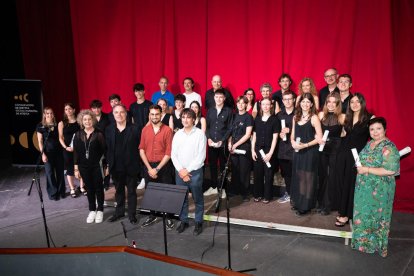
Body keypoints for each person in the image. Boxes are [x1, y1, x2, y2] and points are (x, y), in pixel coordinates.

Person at [351, 117, 400, 257]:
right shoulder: (369, 144)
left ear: (385, 130)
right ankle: (363, 244)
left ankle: (377, 246)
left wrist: (366, 169)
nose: (375, 132)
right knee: (364, 215)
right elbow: (362, 160)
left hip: (380, 190)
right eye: (372, 129)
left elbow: (390, 170)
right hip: (363, 189)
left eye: (378, 129)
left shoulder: (389, 147)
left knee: (378, 217)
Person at [334, 93, 373, 226]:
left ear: (362, 103)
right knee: (341, 183)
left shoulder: (369, 118)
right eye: (352, 102)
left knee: (351, 184)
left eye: (358, 101)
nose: (355, 104)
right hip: (343, 154)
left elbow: (375, 137)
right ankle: (343, 210)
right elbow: (343, 135)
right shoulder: (347, 117)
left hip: (357, 157)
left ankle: (346, 214)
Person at [171, 108, 207, 236]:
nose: (185, 120)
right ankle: (183, 221)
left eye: (188, 117)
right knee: (182, 198)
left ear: (194, 119)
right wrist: (181, 170)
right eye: (183, 117)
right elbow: (173, 155)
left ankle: (198, 222)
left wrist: (187, 170)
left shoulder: (200, 134)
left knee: (198, 199)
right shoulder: (177, 134)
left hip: (195, 172)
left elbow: (201, 156)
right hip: (180, 172)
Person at [139, 105, 174, 228]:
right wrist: (149, 168)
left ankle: (169, 217)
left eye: (157, 114)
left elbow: (168, 153)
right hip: (148, 167)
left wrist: (157, 169)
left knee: (166, 193)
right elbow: (141, 150)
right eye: (152, 114)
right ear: (149, 115)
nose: (154, 116)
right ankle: (152, 216)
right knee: (151, 193)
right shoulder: (145, 130)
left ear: (161, 114)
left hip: (163, 166)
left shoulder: (167, 130)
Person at [105, 104, 141, 224]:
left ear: (126, 114)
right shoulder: (109, 129)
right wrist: (108, 165)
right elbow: (107, 149)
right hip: (116, 166)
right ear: (113, 114)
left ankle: (132, 215)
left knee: (131, 192)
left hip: (131, 166)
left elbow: (140, 148)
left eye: (121, 112)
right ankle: (119, 212)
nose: (119, 115)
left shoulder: (135, 128)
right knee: (118, 191)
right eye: (116, 112)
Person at [291, 93, 322, 216]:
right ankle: (300, 201)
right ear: (300, 104)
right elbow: (292, 135)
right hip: (298, 152)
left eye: (308, 102)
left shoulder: (314, 118)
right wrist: (293, 143)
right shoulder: (295, 117)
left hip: (310, 152)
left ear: (312, 104)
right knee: (300, 177)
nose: (305, 104)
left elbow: (319, 138)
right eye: (303, 102)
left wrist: (305, 145)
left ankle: (307, 205)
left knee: (309, 178)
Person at [73, 110, 106, 223]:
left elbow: (104, 151)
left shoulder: (99, 134)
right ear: (82, 121)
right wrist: (76, 168)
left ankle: (100, 210)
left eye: (89, 119)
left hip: (97, 166)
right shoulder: (78, 135)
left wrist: (107, 167)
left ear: (93, 120)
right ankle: (92, 210)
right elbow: (76, 152)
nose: (87, 121)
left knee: (98, 188)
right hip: (83, 167)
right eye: (85, 119)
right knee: (89, 188)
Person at [317, 92, 345, 215]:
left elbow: (345, 135)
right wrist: (318, 139)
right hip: (322, 149)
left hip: (336, 150)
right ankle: (321, 202)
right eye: (329, 102)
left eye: (334, 102)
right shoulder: (321, 114)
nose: (331, 104)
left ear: (338, 104)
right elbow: (315, 132)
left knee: (331, 177)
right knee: (322, 175)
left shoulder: (342, 117)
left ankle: (328, 205)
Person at [204, 89, 233, 197]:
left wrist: (223, 140)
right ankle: (213, 187)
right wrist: (209, 139)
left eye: (221, 97)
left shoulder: (229, 111)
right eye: (217, 97)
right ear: (214, 98)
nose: (219, 99)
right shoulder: (210, 110)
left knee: (223, 167)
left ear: (224, 98)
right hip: (211, 143)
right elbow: (207, 127)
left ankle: (223, 188)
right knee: (212, 166)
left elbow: (230, 128)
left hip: (223, 144)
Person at [251, 98, 280, 203]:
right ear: (261, 106)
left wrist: (271, 153)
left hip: (269, 150)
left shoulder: (275, 120)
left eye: (268, 104)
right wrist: (252, 150)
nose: (266, 106)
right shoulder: (257, 119)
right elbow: (254, 135)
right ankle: (257, 194)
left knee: (268, 174)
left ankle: (267, 196)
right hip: (257, 150)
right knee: (257, 174)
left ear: (271, 106)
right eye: (263, 104)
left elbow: (275, 138)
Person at [36, 107, 65, 201]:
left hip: (59, 152)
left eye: (51, 113)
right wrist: (43, 154)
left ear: (53, 114)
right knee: (49, 173)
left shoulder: (58, 124)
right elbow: (40, 141)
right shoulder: (40, 126)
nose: (49, 115)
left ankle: (61, 191)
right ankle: (53, 193)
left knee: (60, 172)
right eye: (47, 113)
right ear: (44, 115)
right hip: (47, 153)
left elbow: (61, 137)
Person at [228, 96, 253, 201]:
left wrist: (236, 144)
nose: (241, 105)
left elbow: (247, 135)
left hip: (243, 147)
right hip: (233, 147)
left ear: (246, 105)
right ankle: (235, 190)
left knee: (244, 171)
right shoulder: (234, 116)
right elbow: (230, 132)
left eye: (243, 103)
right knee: (235, 169)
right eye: (239, 103)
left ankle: (245, 193)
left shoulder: (249, 117)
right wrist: (230, 143)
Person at [58, 103, 84, 198]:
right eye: (66, 109)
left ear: (74, 110)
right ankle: (72, 188)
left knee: (81, 167)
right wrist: (65, 147)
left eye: (70, 109)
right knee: (69, 169)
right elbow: (60, 137)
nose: (68, 111)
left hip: (79, 149)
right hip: (67, 149)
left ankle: (82, 187)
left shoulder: (79, 121)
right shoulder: (61, 123)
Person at [276, 91, 296, 204]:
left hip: (294, 149)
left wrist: (291, 130)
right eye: (285, 99)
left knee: (295, 174)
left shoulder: (298, 114)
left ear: (293, 100)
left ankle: (295, 194)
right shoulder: (279, 115)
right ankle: (288, 193)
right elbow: (275, 131)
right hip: (282, 149)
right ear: (282, 101)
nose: (288, 101)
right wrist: (280, 134)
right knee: (286, 174)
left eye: (290, 99)